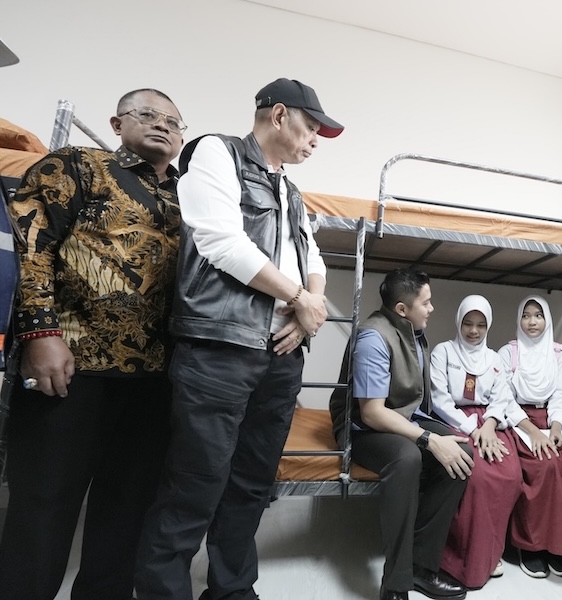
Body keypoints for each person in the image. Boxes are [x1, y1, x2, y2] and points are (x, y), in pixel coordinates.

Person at [134, 78, 340, 600]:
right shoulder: (216, 153)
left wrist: (309, 311)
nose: (315, 141)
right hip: (220, 349)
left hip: (281, 353)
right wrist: (299, 296)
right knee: (194, 483)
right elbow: (221, 241)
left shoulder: (291, 190)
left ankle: (231, 589)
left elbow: (313, 258)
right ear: (278, 115)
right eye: (311, 127)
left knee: (252, 483)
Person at [0, 89, 185, 600]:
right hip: (71, 368)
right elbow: (32, 246)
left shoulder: (190, 198)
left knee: (127, 514)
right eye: (147, 114)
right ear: (117, 123)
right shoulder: (79, 165)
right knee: (43, 507)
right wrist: (40, 333)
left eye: (173, 122)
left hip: (155, 380)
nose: (162, 125)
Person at [329, 268, 474, 600]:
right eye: (426, 302)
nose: (432, 308)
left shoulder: (411, 330)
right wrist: (428, 439)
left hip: (403, 417)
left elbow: (410, 403)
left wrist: (434, 436)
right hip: (363, 426)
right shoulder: (373, 338)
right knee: (407, 458)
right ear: (401, 309)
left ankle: (421, 566)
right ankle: (396, 581)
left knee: (461, 453)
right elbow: (372, 413)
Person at [430, 294, 524, 590]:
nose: (473, 330)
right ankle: (468, 555)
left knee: (510, 475)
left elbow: (501, 396)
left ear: (488, 326)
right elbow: (440, 400)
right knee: (477, 477)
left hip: (490, 421)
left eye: (480, 325)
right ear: (459, 322)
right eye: (468, 323)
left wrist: (490, 425)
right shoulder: (444, 352)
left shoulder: (494, 358)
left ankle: (493, 549)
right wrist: (473, 429)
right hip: (454, 421)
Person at [497, 295, 562, 579]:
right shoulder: (507, 353)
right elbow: (504, 399)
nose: (532, 321)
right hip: (519, 421)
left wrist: (556, 430)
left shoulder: (558, 353)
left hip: (552, 419)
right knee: (542, 464)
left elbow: (561, 394)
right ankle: (531, 546)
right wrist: (533, 432)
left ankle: (558, 545)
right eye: (526, 315)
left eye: (538, 315)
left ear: (547, 319)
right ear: (519, 320)